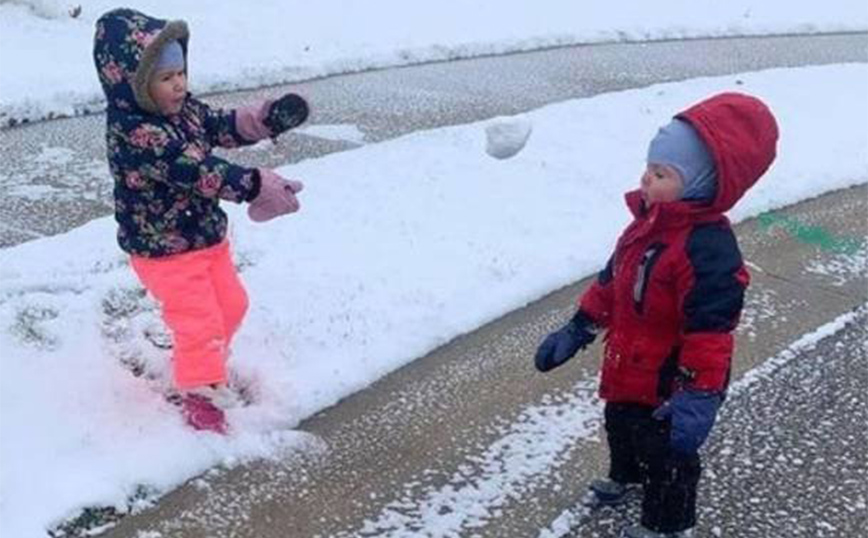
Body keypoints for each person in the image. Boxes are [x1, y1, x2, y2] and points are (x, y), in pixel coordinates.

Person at [534, 93, 778, 537]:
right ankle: (626, 476)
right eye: (649, 167)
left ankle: (668, 523)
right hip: (629, 362)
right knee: (621, 424)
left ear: (702, 185)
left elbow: (711, 331)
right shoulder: (645, 226)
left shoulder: (707, 249)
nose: (646, 179)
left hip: (672, 379)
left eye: (662, 174)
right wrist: (580, 325)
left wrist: (699, 393)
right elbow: (612, 282)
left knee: (667, 454)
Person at [93, 8, 309, 433]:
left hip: (204, 236)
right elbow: (198, 170)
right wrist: (253, 185)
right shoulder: (137, 133)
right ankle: (199, 392)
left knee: (233, 305)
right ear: (133, 84)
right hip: (163, 249)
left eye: (181, 73)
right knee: (200, 323)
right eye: (165, 77)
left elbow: (218, 125)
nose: (179, 84)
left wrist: (262, 120)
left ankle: (202, 363)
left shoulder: (183, 110)